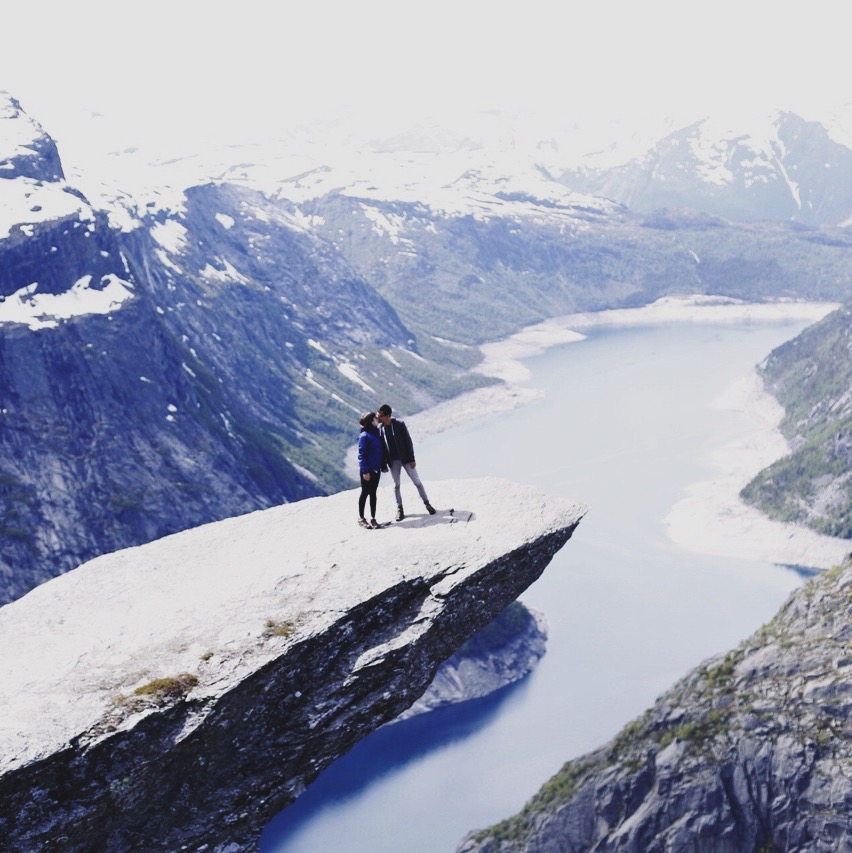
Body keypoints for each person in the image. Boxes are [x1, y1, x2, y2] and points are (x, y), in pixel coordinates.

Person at [376, 403, 436, 521]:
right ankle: (400, 509)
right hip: (393, 461)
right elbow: (381, 448)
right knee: (396, 485)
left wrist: (412, 459)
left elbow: (408, 442)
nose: (378, 417)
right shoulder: (380, 429)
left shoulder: (399, 425)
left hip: (406, 459)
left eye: (380, 415)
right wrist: (383, 464)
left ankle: (427, 504)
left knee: (417, 482)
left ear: (387, 415)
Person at [357, 411, 383, 529]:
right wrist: (365, 471)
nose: (377, 420)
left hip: (376, 469)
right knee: (365, 493)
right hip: (367, 470)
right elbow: (361, 455)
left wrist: (382, 465)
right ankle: (361, 518)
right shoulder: (364, 436)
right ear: (371, 421)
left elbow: (379, 452)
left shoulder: (376, 433)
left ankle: (373, 518)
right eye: (375, 419)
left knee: (373, 493)